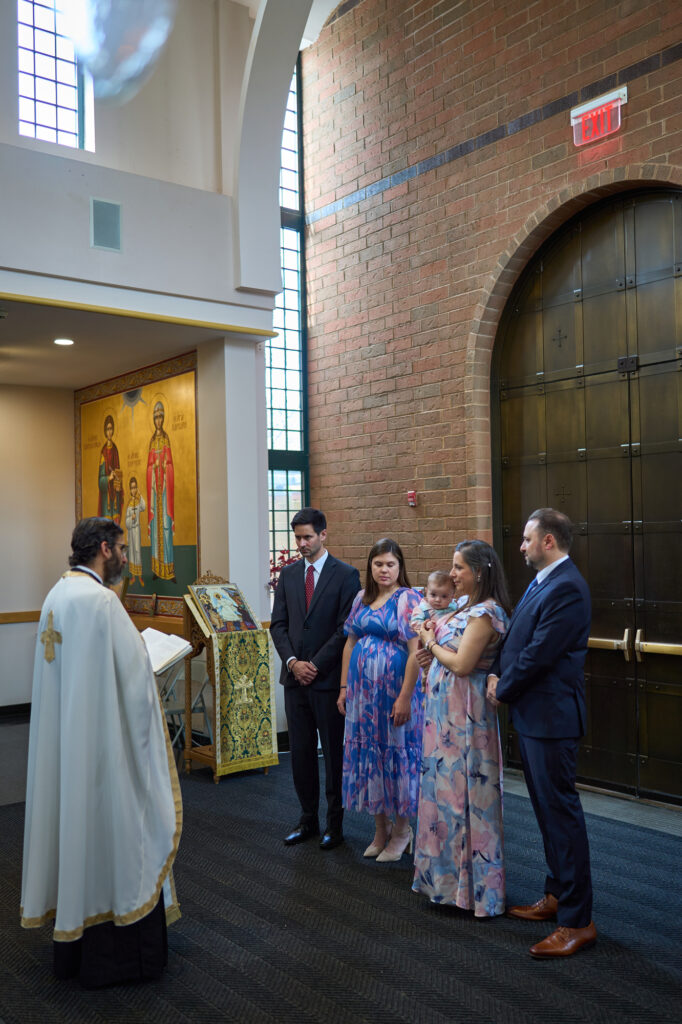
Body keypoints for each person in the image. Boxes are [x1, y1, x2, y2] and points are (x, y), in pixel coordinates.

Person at [21, 517, 182, 987]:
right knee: (117, 830)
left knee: (77, 829)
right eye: (124, 549)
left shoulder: (58, 594)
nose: (127, 559)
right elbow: (134, 684)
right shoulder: (101, 603)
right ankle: (121, 948)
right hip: (103, 747)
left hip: (68, 741)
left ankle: (74, 945)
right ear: (106, 550)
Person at [486, 508, 595, 958]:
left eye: (527, 539)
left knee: (562, 818)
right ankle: (556, 896)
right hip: (534, 716)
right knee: (547, 814)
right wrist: (496, 673)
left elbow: (540, 653)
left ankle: (577, 921)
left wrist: (503, 687)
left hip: (552, 719)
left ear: (548, 541)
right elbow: (515, 640)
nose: (521, 545)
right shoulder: (543, 580)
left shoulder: (568, 586)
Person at [411, 540, 510, 916]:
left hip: (465, 715)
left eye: (458, 568)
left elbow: (464, 664)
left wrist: (430, 642)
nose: (452, 574)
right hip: (443, 715)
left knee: (463, 797)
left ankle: (474, 892)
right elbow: (444, 659)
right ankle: (444, 885)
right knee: (441, 796)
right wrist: (428, 660)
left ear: (479, 572)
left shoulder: (486, 612)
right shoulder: (464, 607)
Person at [270, 508, 360, 850]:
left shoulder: (346, 575)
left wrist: (315, 665)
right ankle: (306, 819)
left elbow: (344, 629)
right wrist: (293, 662)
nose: (302, 544)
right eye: (298, 538)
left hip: (326, 681)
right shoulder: (289, 575)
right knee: (301, 754)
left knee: (333, 756)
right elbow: (278, 625)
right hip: (294, 680)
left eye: (308, 537)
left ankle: (334, 826)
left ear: (324, 535)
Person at [337, 538, 422, 862]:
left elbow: (417, 653)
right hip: (363, 696)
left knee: (397, 756)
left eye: (390, 564)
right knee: (370, 756)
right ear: (369, 567)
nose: (383, 570)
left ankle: (402, 830)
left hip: (394, 695)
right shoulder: (362, 598)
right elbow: (349, 644)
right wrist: (344, 688)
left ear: (400, 567)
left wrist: (404, 697)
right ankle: (380, 828)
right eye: (378, 564)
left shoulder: (409, 599)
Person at [147, 400, 175, 581]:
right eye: (156, 417)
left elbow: (171, 463)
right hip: (154, 492)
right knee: (156, 527)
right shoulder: (152, 441)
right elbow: (148, 467)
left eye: (160, 416)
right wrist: (153, 466)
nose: (158, 420)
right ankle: (157, 569)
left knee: (166, 526)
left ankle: (169, 569)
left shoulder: (166, 439)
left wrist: (165, 467)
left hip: (164, 490)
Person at [97, 414, 123, 523]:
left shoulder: (115, 450)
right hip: (106, 498)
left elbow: (118, 471)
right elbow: (100, 481)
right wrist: (109, 478)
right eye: (107, 429)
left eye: (111, 428)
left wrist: (118, 482)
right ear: (105, 431)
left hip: (115, 495)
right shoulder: (103, 452)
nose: (109, 432)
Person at [125, 475, 146, 586]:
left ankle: (140, 577)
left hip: (137, 530)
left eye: (135, 487)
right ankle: (133, 577)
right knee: (132, 553)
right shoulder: (128, 504)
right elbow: (126, 522)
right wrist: (130, 518)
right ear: (130, 489)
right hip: (131, 531)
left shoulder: (138, 502)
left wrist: (140, 494)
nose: (133, 490)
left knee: (137, 551)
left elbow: (144, 507)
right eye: (132, 488)